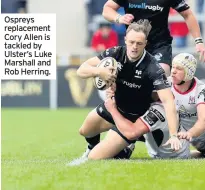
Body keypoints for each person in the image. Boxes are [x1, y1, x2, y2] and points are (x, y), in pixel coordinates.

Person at [102, 53, 205, 159]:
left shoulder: (201, 90)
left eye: (179, 69)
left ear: (189, 72)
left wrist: (189, 134)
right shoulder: (165, 85)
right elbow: (142, 94)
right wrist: (116, 90)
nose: (173, 71)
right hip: (190, 134)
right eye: (173, 67)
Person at [68, 19, 181, 165]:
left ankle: (126, 147)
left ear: (145, 43)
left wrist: (174, 135)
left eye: (139, 43)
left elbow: (168, 101)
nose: (134, 47)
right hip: (114, 106)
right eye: (132, 42)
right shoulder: (115, 53)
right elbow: (81, 70)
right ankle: (92, 147)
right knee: (85, 131)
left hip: (132, 119)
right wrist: (100, 72)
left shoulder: (153, 67)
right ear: (125, 40)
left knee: (95, 158)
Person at [102, 0, 205, 76]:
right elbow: (107, 8)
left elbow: (188, 14)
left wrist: (198, 41)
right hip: (135, 45)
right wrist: (119, 18)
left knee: (161, 74)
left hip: (160, 44)